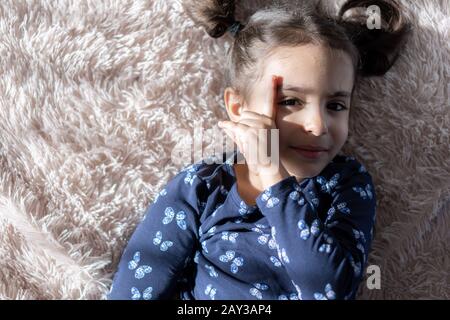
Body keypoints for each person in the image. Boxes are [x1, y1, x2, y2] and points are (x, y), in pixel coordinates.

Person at [108, 0, 410, 300]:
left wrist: (275, 182)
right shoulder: (203, 186)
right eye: (290, 102)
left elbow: (329, 289)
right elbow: (134, 290)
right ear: (239, 108)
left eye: (335, 105)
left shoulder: (346, 184)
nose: (318, 126)